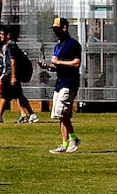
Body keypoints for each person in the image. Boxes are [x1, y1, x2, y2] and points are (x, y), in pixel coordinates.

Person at [0, 28, 38, 123]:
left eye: (2, 34)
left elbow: (13, 62)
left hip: (9, 73)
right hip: (11, 73)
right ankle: (31, 114)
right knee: (19, 95)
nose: (0, 36)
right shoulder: (9, 46)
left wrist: (13, 76)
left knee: (4, 95)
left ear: (8, 35)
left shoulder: (10, 46)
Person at [47, 17, 83, 153]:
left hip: (70, 82)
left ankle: (74, 138)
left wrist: (59, 62)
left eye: (57, 29)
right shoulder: (58, 45)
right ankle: (65, 143)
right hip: (60, 82)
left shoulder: (73, 44)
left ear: (64, 28)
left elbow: (76, 63)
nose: (55, 32)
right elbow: (57, 65)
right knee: (60, 115)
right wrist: (49, 66)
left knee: (61, 112)